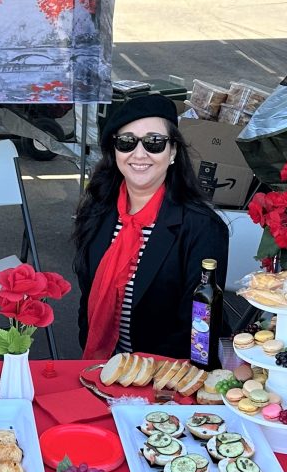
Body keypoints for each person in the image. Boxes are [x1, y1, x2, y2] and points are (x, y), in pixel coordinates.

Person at [73, 94, 229, 360]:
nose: (139, 154)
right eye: (127, 142)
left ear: (173, 152)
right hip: (104, 368)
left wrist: (143, 374)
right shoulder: (97, 212)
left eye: (154, 142)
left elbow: (199, 323)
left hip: (169, 372)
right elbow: (86, 299)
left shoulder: (203, 227)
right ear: (115, 151)